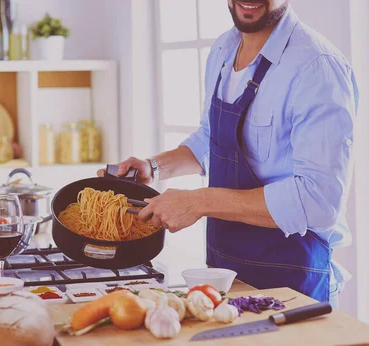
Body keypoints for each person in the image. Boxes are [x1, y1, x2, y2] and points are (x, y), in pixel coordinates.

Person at [99, 0, 358, 307]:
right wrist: (153, 167)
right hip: (226, 278)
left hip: (292, 286)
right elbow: (211, 138)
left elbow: (318, 201)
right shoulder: (224, 49)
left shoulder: (317, 67)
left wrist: (199, 201)